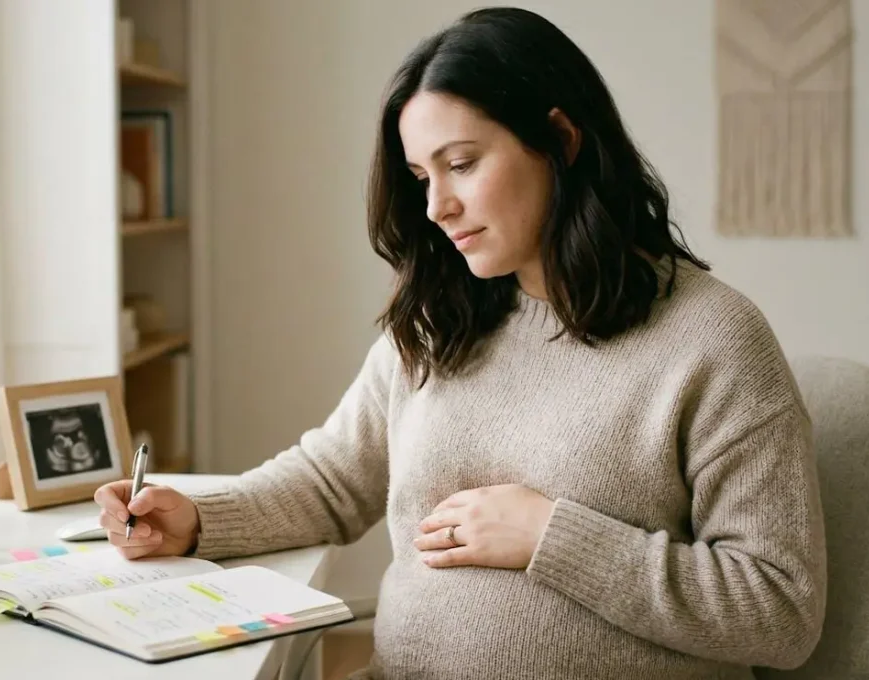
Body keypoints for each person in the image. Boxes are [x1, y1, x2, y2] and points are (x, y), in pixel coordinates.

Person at [94, 7, 826, 679]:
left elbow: (782, 611)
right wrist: (195, 519)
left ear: (561, 142)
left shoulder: (712, 339)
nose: (436, 206)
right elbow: (329, 481)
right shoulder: (440, 319)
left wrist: (551, 536)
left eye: (462, 164)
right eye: (420, 176)